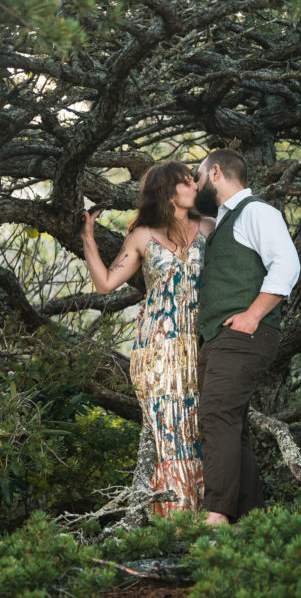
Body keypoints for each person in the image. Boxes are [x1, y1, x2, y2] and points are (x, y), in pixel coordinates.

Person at [81, 161, 212, 516]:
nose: (195, 187)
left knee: (198, 428)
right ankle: (174, 518)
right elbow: (105, 284)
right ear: (169, 191)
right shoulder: (142, 236)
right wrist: (88, 239)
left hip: (197, 345)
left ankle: (206, 514)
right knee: (168, 432)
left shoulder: (210, 227)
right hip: (155, 347)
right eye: (187, 182)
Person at [193, 148, 301, 527]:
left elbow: (287, 264)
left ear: (217, 172)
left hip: (243, 335)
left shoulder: (256, 211)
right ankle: (252, 521)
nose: (195, 182)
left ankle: (217, 516)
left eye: (199, 174)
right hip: (220, 337)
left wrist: (253, 315)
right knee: (230, 424)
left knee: (216, 414)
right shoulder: (219, 221)